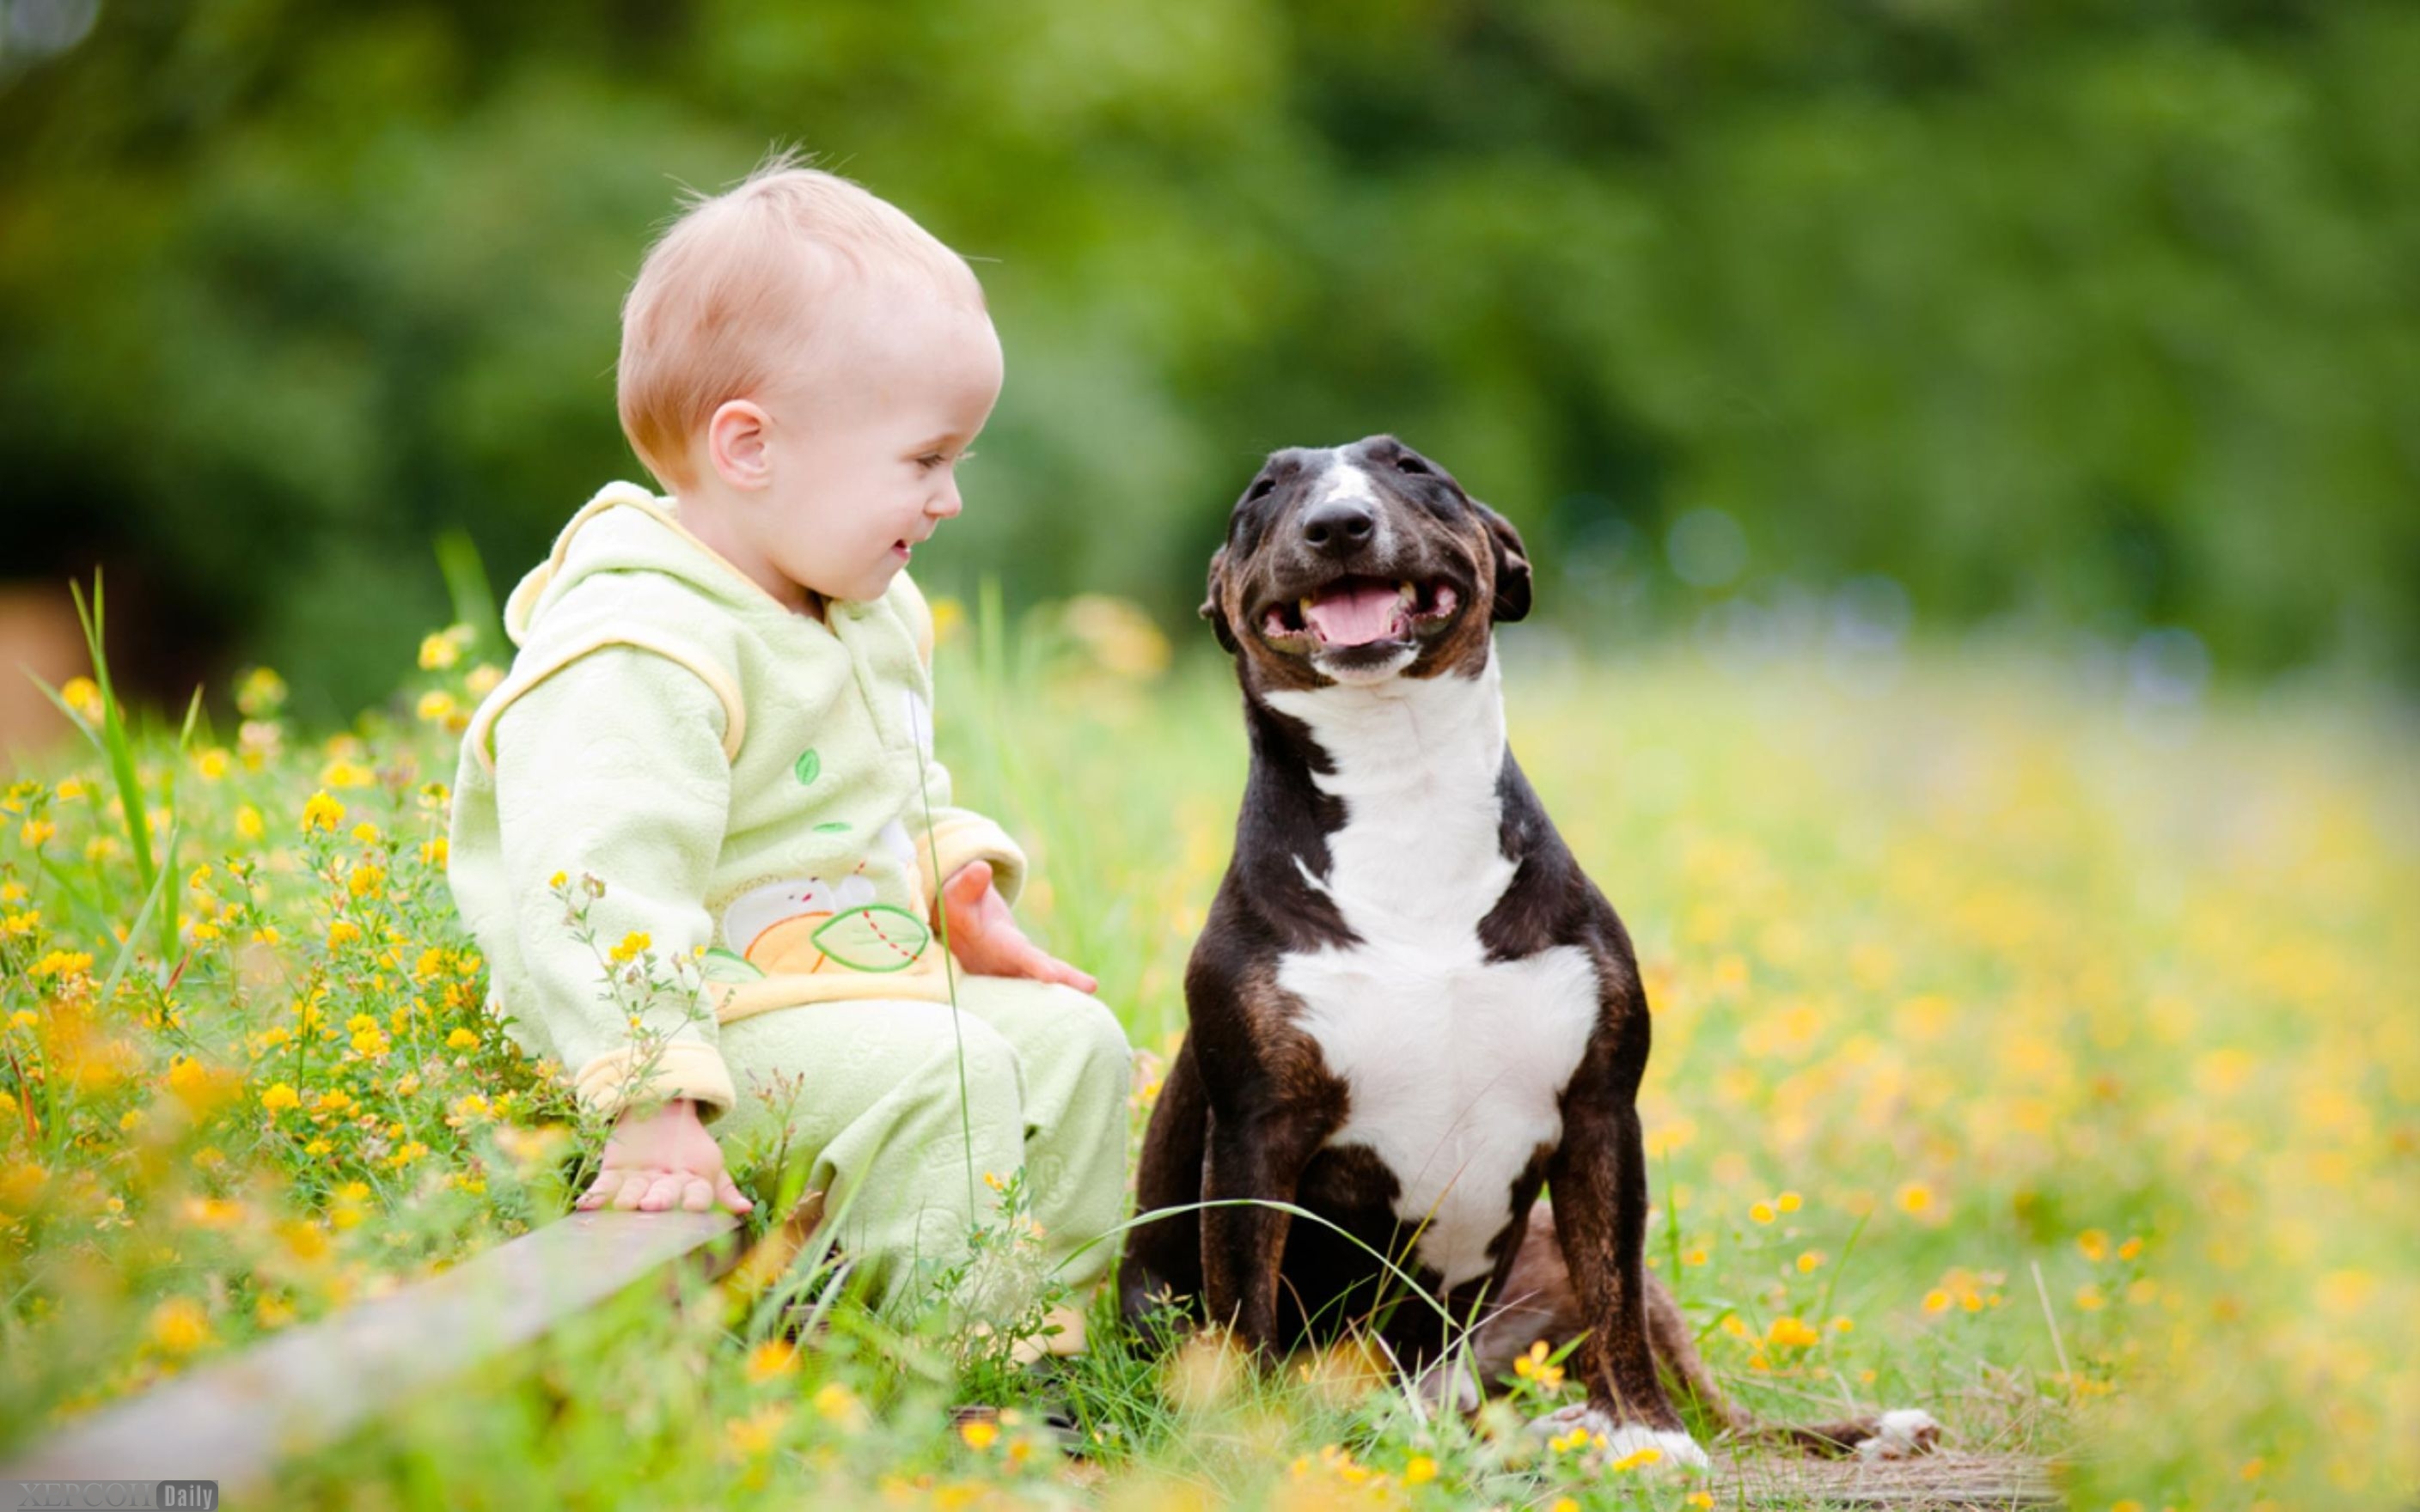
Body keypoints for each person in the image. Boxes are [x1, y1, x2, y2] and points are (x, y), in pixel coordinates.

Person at [445, 152, 1132, 1318]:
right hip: (687, 1044)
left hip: (842, 994)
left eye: (957, 461)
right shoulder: (639, 642)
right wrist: (653, 1101)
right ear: (751, 448)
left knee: (1077, 1041)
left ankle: (1043, 1348)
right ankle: (938, 1383)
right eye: (925, 460)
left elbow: (893, 785)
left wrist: (952, 877)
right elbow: (592, 888)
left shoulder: (863, 608)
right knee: (949, 1078)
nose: (949, 499)